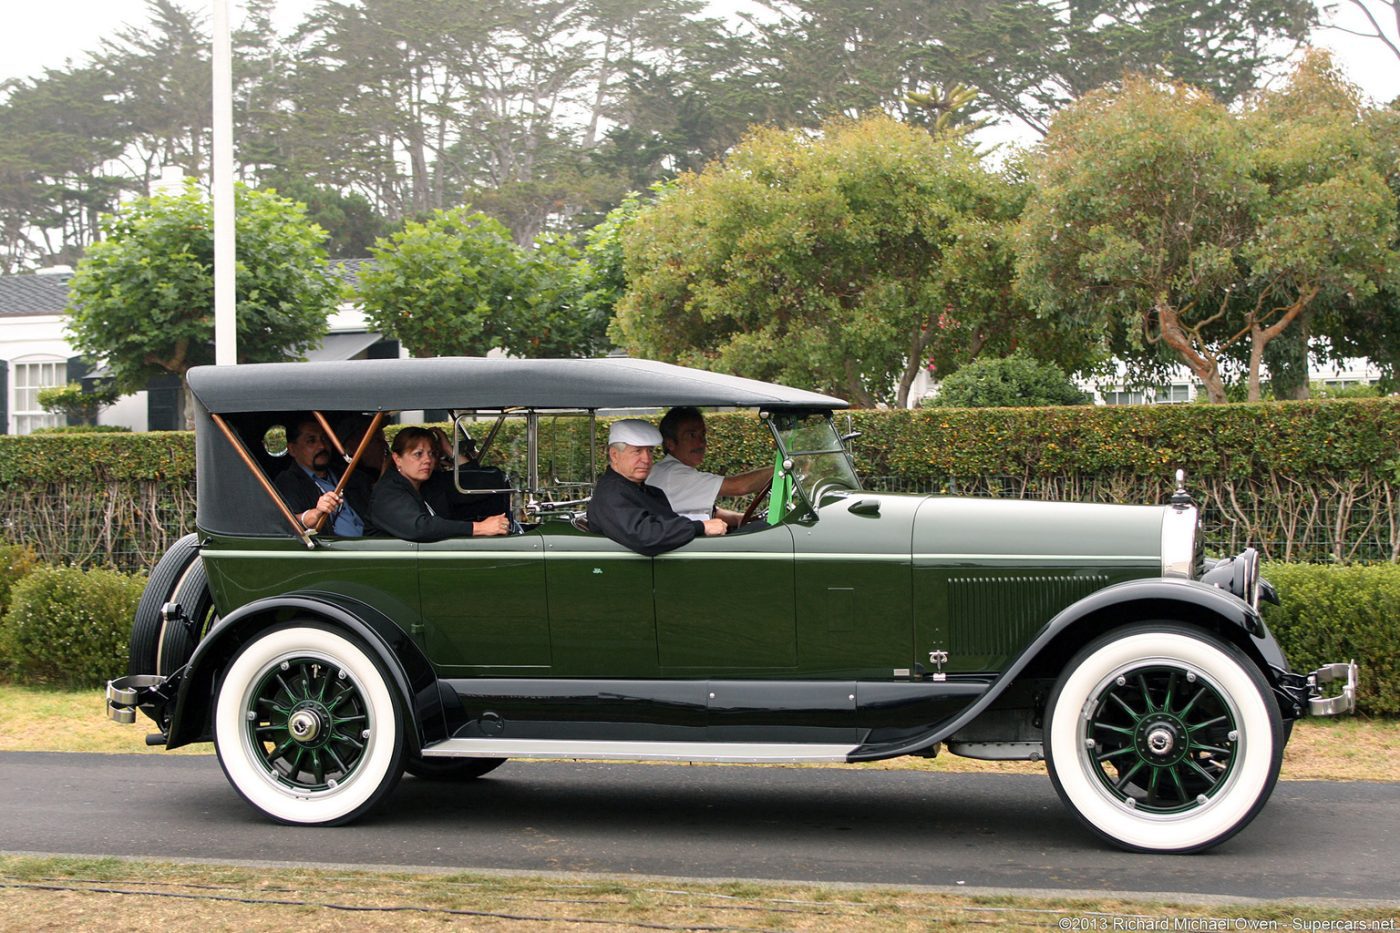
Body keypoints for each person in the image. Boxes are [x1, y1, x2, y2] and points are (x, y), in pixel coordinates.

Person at [586, 419, 726, 556]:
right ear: (614, 455)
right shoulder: (612, 493)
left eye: (650, 451)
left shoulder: (648, 492)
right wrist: (700, 527)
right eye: (637, 451)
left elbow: (664, 525)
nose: (647, 459)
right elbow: (645, 537)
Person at [371, 426, 510, 542]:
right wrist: (480, 528)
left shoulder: (430, 484)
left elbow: (478, 481)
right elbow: (420, 528)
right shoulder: (387, 492)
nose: (427, 460)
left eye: (431, 454)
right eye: (418, 454)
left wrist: (450, 451)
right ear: (397, 459)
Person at [646, 406, 772, 527]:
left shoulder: (667, 470)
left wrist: (740, 518)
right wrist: (781, 469)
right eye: (691, 435)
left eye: (703, 434)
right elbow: (739, 486)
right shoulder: (674, 475)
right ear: (670, 443)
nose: (701, 442)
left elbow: (711, 512)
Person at [274, 416, 374, 536]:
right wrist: (315, 513)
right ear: (292, 449)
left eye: (325, 438)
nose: (321, 446)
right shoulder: (288, 482)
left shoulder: (350, 475)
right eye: (311, 441)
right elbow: (284, 522)